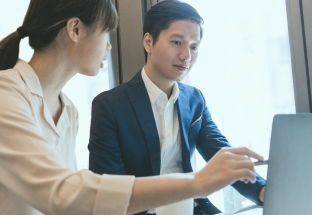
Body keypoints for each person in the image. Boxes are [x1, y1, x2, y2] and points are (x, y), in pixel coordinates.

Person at [0, 0, 265, 214]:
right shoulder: (6, 92)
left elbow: (74, 205)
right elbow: (62, 194)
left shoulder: (68, 110)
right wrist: (197, 182)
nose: (109, 45)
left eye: (194, 46)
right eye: (106, 33)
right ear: (75, 30)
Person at [88, 1, 266, 214]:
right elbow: (109, 191)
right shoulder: (109, 106)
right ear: (148, 42)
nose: (186, 56)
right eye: (176, 42)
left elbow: (220, 153)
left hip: (192, 208)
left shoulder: (194, 99)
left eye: (194, 47)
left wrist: (265, 191)